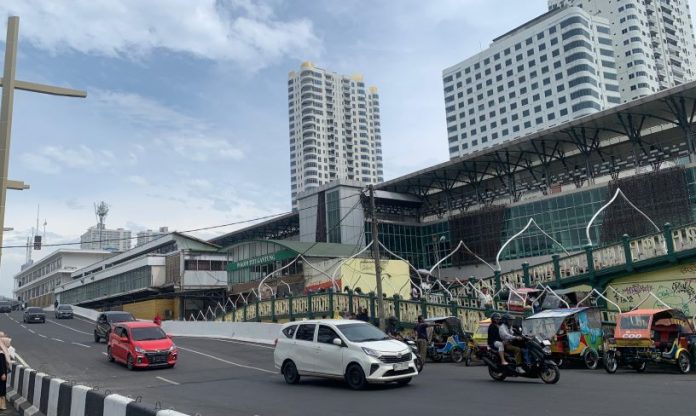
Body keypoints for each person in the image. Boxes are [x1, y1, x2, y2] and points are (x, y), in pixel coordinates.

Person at [0, 333, 12, 411]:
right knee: (1, 390)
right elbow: (0, 364)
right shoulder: (1, 354)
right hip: (1, 374)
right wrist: (2, 373)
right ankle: (2, 406)